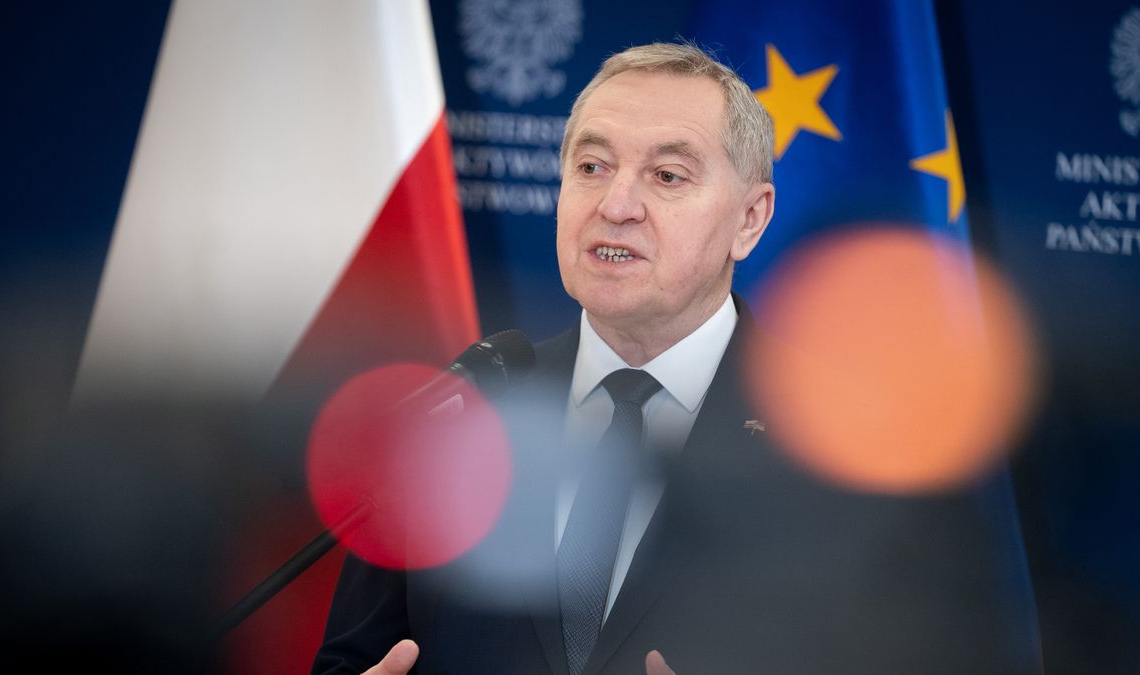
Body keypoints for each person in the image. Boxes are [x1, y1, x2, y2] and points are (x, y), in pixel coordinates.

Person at [313, 42, 1039, 675]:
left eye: (667, 176)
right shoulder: (458, 414)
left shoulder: (857, 448)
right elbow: (350, 657)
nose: (616, 204)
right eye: (592, 165)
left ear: (749, 220)